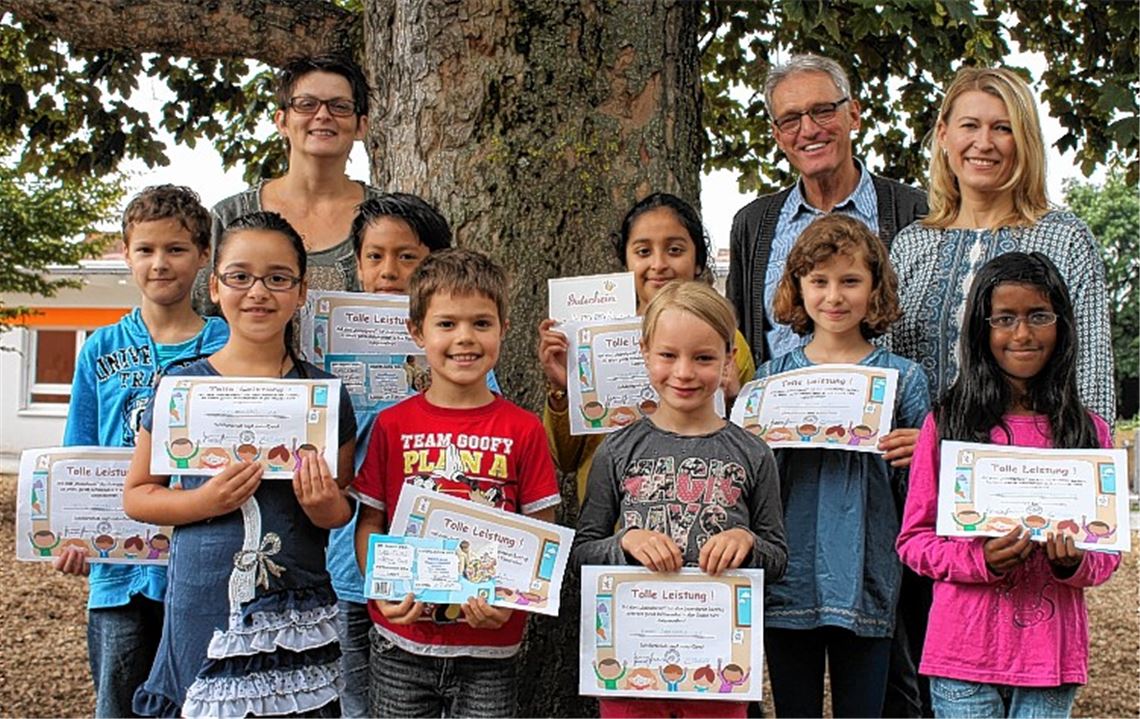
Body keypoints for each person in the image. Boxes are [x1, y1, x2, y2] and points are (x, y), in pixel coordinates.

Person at [123, 212, 357, 717]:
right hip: (201, 602)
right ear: (215, 286)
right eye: (240, 276)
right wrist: (203, 501)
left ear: (301, 291)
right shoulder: (180, 388)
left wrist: (324, 505)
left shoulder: (324, 396)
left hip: (294, 603)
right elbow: (138, 495)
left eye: (278, 278)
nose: (258, 292)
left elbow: (340, 510)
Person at [896, 252, 1120, 718]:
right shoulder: (948, 425)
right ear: (982, 329)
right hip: (962, 654)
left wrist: (1073, 563)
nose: (1022, 334)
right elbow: (914, 542)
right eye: (1004, 319)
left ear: (1062, 325)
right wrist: (980, 560)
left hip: (1050, 661)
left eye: (1039, 316)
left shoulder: (1088, 432)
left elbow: (1107, 553)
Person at [352, 249, 561, 717]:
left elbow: (542, 533)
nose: (465, 337)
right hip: (401, 643)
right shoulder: (391, 425)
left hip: (490, 648)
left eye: (481, 323)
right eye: (446, 324)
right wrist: (380, 588)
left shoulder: (524, 429)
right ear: (416, 332)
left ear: (503, 329)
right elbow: (370, 522)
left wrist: (515, 601)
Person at [571, 281, 787, 719]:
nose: (684, 373)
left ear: (729, 358)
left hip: (717, 670)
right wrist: (625, 542)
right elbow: (581, 553)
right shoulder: (618, 449)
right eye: (668, 355)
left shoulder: (753, 453)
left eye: (703, 357)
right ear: (645, 352)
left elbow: (778, 557)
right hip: (631, 668)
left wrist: (747, 542)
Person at [53, 185, 229, 718]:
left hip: (203, 565)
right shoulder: (99, 349)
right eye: (146, 249)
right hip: (118, 575)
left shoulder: (228, 344)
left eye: (176, 249)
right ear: (127, 254)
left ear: (203, 255)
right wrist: (70, 533)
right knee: (119, 705)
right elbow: (79, 449)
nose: (160, 263)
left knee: (204, 703)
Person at [327, 193, 495, 717]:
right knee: (358, 701)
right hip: (350, 565)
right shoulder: (323, 348)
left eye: (407, 257)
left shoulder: (463, 357)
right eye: (374, 256)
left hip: (442, 573)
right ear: (357, 265)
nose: (388, 272)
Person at [756, 215, 930, 717]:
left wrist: (924, 455)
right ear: (798, 287)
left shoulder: (904, 379)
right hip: (789, 577)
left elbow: (925, 497)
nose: (834, 296)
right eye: (820, 281)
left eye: (850, 280)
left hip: (868, 576)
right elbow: (751, 483)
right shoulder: (770, 379)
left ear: (875, 288)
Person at [890, 66, 1115, 424]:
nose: (984, 143)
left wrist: (1088, 449)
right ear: (944, 134)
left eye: (1003, 128)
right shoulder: (911, 245)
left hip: (1027, 455)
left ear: (1024, 141)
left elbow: (1091, 375)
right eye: (970, 125)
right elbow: (886, 367)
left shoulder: (1065, 239)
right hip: (915, 458)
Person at [538, 192, 756, 504]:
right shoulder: (590, 342)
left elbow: (754, 452)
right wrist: (563, 391)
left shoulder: (727, 340)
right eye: (643, 251)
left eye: (675, 250)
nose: (659, 264)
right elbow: (565, 461)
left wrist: (734, 400)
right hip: (613, 522)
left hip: (702, 512)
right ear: (626, 261)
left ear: (698, 261)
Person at [727, 54, 928, 371]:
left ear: (854, 115)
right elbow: (735, 335)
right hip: (777, 402)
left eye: (822, 111)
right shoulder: (752, 225)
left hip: (891, 401)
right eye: (790, 120)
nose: (808, 130)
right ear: (778, 136)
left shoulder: (916, 212)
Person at [194, 54, 380, 315]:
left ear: (361, 125)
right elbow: (198, 320)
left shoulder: (391, 218)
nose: (323, 115)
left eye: (340, 106)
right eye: (307, 105)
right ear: (282, 121)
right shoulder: (230, 216)